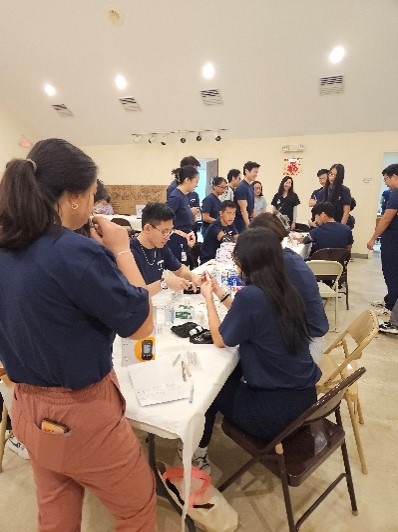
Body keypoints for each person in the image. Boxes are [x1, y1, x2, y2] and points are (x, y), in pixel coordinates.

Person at [0, 139, 156, 531]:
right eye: (91, 196)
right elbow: (142, 325)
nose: (93, 207)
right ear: (72, 198)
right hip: (81, 416)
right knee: (136, 508)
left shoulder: (7, 247)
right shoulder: (76, 254)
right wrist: (122, 249)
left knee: (55, 511)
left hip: (27, 408)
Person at [192, 228, 320, 472]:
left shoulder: (252, 296)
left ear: (246, 262)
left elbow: (220, 338)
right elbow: (249, 316)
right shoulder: (285, 289)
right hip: (304, 401)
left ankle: (198, 455)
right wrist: (220, 292)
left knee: (210, 386)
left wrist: (207, 296)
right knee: (230, 369)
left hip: (273, 415)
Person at [250, 213, 329, 361]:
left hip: (306, 346)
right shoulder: (287, 256)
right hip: (309, 334)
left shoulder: (280, 265)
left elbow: (258, 307)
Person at [130, 202, 201, 293]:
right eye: (164, 232)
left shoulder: (161, 246)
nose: (167, 237)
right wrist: (164, 283)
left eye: (170, 231)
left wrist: (194, 277)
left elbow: (179, 269)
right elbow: (134, 293)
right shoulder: (130, 252)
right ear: (147, 228)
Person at [367, 163, 398, 315]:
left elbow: (386, 219)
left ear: (395, 176)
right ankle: (389, 299)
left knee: (391, 270)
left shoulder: (396, 193)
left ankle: (391, 306)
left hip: (393, 238)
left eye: (386, 179)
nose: (385, 183)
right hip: (392, 236)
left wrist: (373, 239)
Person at [166, 165, 199, 264]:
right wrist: (177, 232)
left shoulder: (184, 196)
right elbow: (164, 218)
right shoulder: (176, 197)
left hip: (184, 240)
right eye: (196, 182)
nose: (196, 185)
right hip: (176, 241)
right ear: (187, 180)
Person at [234, 161, 260, 233]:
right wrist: (248, 226)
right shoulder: (241, 187)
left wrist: (257, 223)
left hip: (248, 220)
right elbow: (243, 210)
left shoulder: (250, 187)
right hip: (241, 223)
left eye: (257, 172)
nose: (256, 174)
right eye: (255, 172)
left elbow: (252, 207)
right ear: (246, 171)